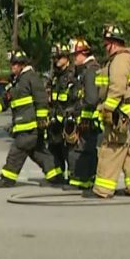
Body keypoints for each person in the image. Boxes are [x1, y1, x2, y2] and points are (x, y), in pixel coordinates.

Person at [0, 51, 63, 188]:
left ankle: (7, 178)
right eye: (12, 64)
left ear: (23, 65)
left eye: (16, 64)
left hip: (30, 126)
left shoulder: (31, 78)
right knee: (38, 153)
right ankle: (55, 176)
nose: (13, 67)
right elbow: (6, 99)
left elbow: (41, 100)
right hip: (23, 125)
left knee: (17, 149)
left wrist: (41, 120)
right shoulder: (16, 81)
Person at [86, 25, 130, 199]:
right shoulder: (129, 58)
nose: (105, 48)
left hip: (122, 114)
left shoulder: (120, 60)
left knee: (112, 148)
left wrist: (108, 109)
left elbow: (117, 88)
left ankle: (103, 190)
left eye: (106, 44)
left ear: (112, 43)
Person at [66, 37, 101, 190]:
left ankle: (81, 181)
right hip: (87, 119)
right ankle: (87, 180)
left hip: (89, 119)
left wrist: (76, 109)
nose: (73, 59)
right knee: (87, 150)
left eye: (74, 56)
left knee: (81, 150)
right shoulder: (85, 71)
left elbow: (91, 99)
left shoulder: (90, 71)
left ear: (83, 54)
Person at [48, 43, 78, 183]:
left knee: (70, 151)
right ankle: (58, 176)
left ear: (67, 58)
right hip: (55, 120)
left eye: (59, 57)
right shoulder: (55, 76)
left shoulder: (73, 75)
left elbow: (76, 98)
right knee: (55, 148)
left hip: (68, 120)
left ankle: (73, 177)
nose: (57, 60)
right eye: (55, 58)